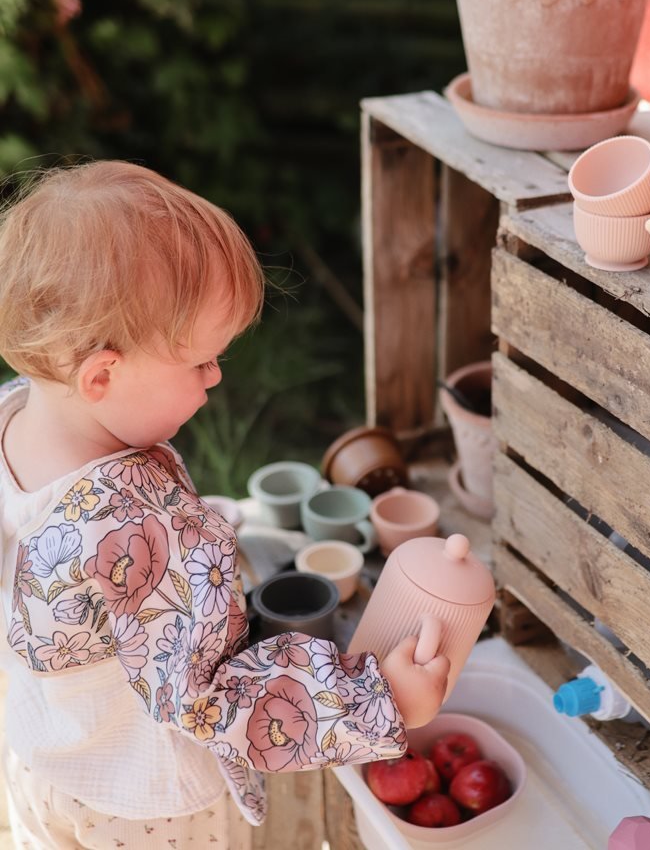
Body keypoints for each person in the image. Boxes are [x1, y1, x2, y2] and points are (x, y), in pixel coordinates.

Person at [0, 160, 450, 848]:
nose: (216, 377)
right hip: (144, 807)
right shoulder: (136, 522)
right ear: (101, 376)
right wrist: (380, 699)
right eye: (201, 362)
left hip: (44, 759)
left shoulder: (13, 414)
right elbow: (210, 697)